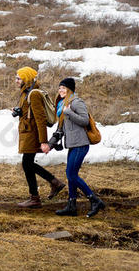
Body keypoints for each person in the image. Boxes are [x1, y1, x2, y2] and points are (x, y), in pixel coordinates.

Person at [13, 66, 66, 208]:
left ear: (26, 79)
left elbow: (40, 119)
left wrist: (44, 141)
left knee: (26, 163)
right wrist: (19, 112)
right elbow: (29, 113)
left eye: (18, 78)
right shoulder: (25, 92)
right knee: (27, 163)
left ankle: (36, 197)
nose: (16, 80)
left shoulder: (34, 94)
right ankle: (53, 184)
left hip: (32, 134)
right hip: (26, 132)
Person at [52, 77, 105, 217]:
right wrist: (53, 142)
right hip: (72, 145)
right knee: (71, 175)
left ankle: (94, 200)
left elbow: (84, 120)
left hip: (81, 144)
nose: (60, 90)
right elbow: (63, 127)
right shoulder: (63, 105)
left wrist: (69, 112)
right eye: (59, 88)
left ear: (70, 89)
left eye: (63, 88)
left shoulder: (77, 102)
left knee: (71, 174)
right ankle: (71, 205)